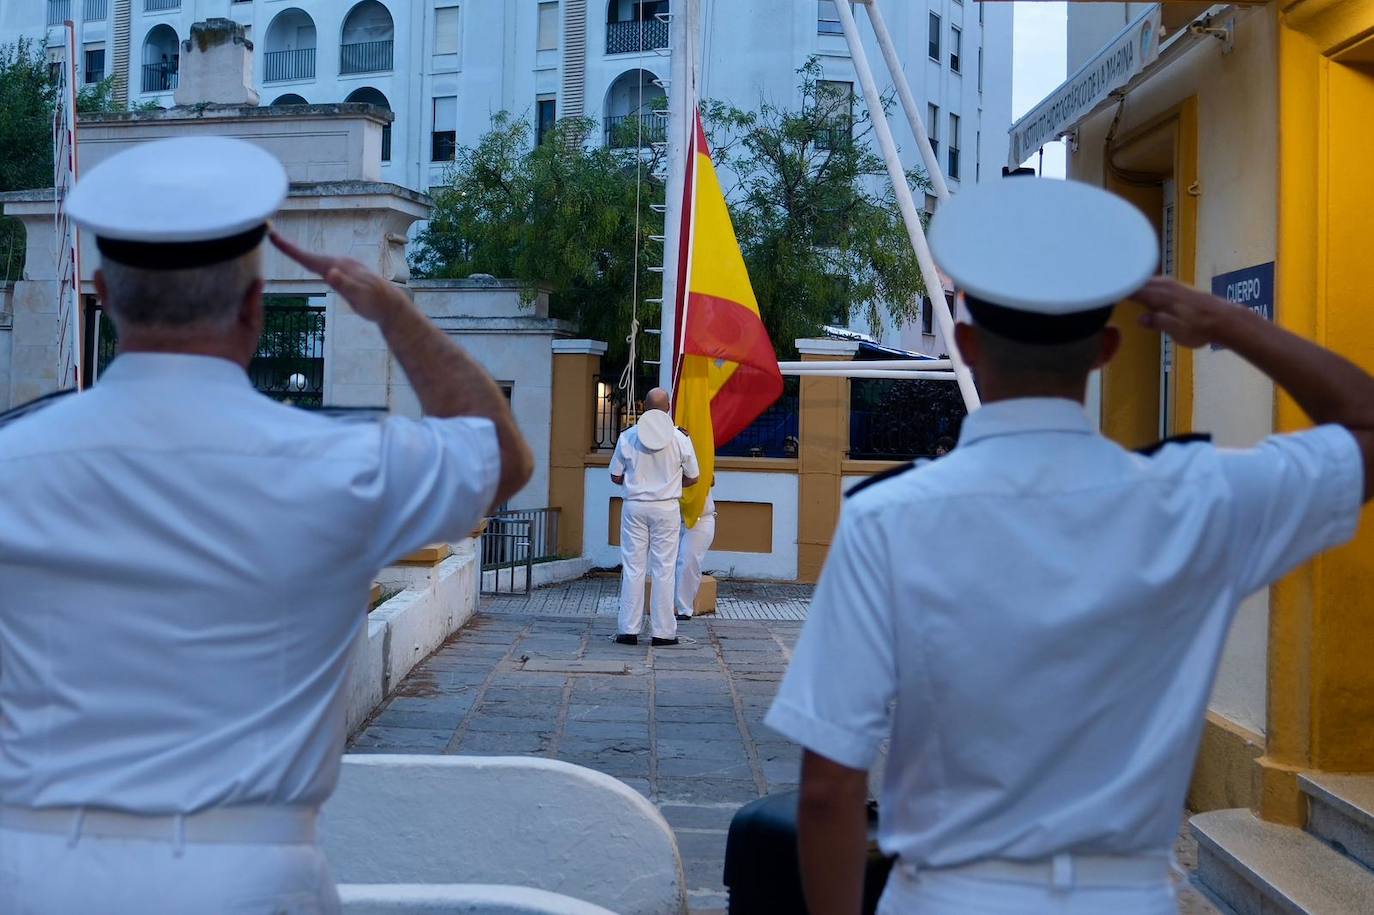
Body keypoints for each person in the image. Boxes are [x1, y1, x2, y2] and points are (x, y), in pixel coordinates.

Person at [765, 177, 1374, 915]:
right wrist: (1223, 322)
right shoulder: (1199, 498)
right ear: (1106, 350)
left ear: (965, 344)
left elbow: (830, 787)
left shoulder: (888, 518)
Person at [0, 136, 533, 913]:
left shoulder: (14, 463)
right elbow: (505, 460)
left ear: (103, 295)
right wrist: (391, 311)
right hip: (244, 882)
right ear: (256, 306)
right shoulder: (345, 465)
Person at [610, 387, 699, 645]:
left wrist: (635, 482)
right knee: (665, 568)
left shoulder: (628, 436)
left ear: (643, 407)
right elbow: (694, 476)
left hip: (634, 507)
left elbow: (615, 475)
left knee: (633, 567)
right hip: (666, 508)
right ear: (669, 408)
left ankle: (628, 630)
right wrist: (670, 483)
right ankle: (663, 632)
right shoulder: (680, 438)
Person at [674, 485, 716, 621]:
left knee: (688, 559)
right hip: (672, 518)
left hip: (700, 518)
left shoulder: (701, 464)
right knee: (670, 563)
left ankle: (684, 609)